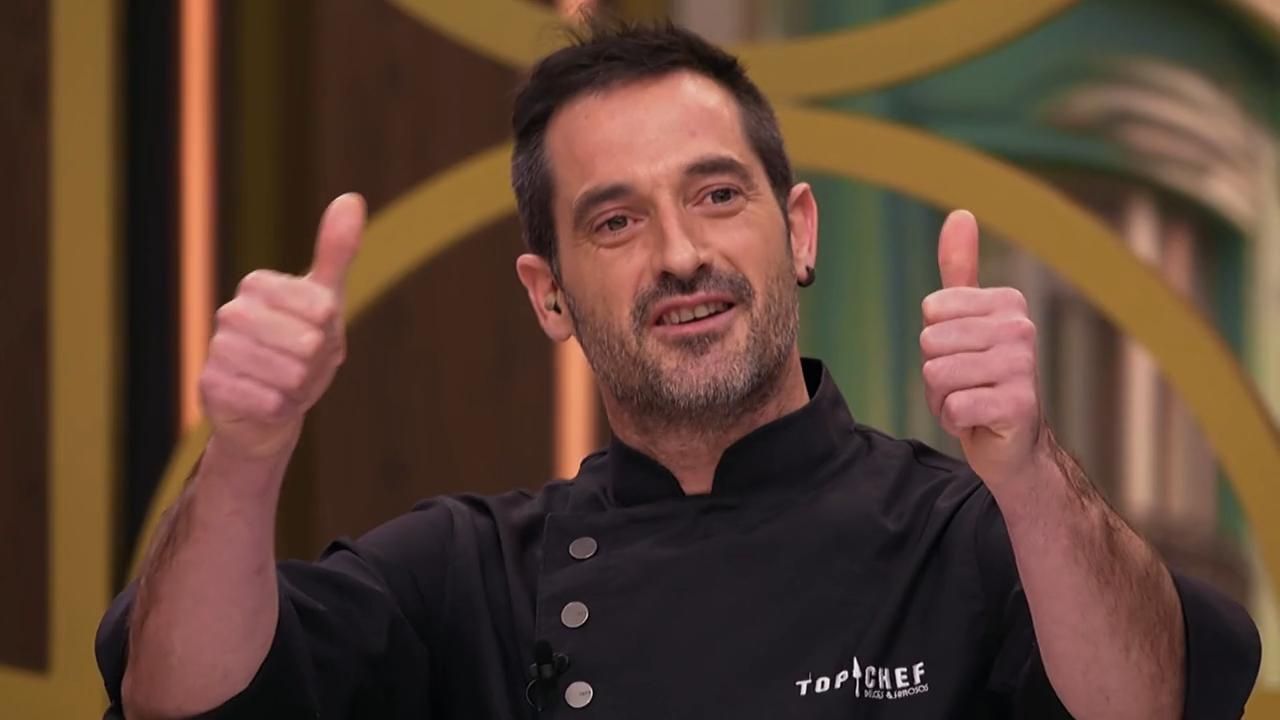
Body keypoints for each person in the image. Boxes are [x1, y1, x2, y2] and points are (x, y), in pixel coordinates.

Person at [96, 20, 1260, 720]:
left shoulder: (969, 537)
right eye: (614, 221)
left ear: (796, 232)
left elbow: (1148, 699)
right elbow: (177, 693)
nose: (679, 253)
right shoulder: (471, 576)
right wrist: (245, 455)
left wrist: (1029, 470)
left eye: (715, 194)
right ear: (548, 294)